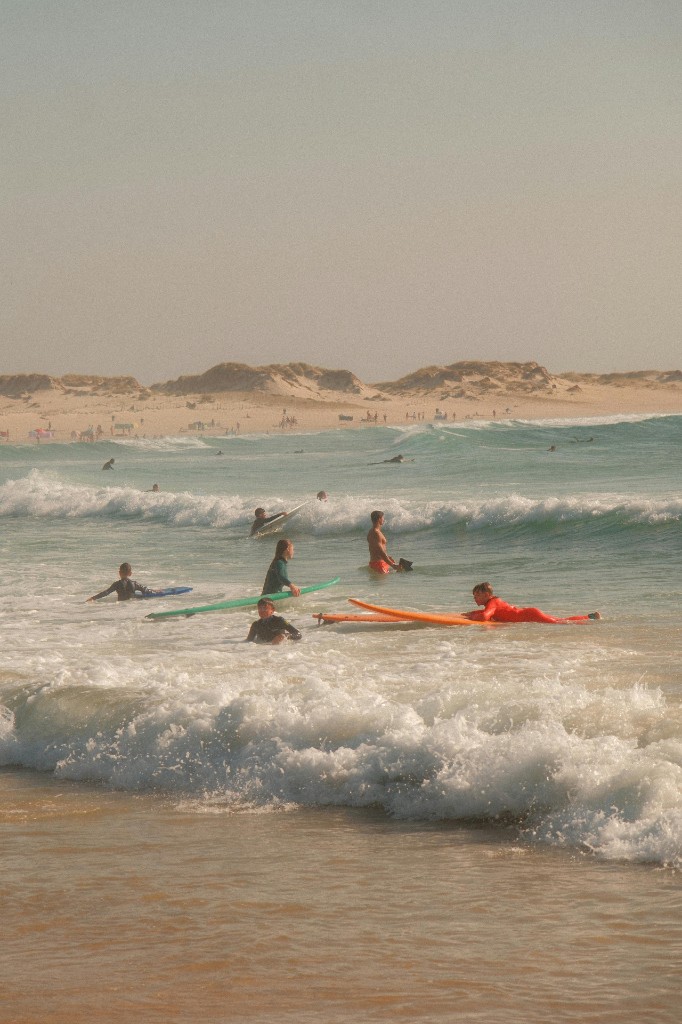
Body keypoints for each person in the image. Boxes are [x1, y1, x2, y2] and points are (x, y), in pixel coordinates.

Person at [462, 582, 601, 624]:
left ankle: (588, 619)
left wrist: (471, 617)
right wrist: (472, 612)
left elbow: (484, 616)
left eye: (477, 595)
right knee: (560, 620)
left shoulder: (492, 603)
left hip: (530, 615)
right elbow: (491, 612)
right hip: (529, 613)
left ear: (487, 595)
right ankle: (590, 617)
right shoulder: (493, 603)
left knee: (560, 623)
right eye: (474, 596)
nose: (475, 598)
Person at [87, 562, 152, 602]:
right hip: (132, 605)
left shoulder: (117, 584)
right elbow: (146, 591)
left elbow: (106, 592)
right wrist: (155, 591)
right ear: (130, 573)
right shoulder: (134, 584)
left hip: (120, 607)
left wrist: (93, 598)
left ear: (119, 573)